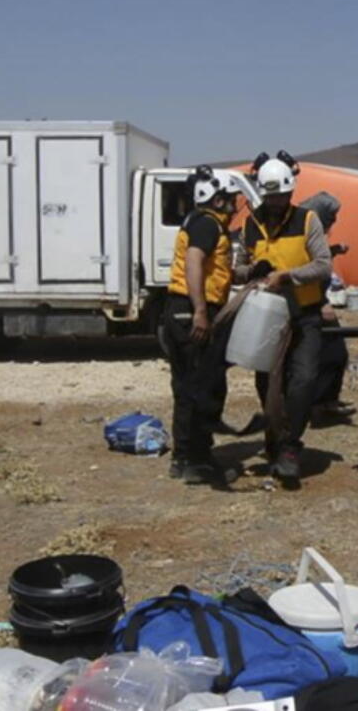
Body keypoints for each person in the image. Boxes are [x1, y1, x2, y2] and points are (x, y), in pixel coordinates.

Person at [235, 151, 332, 484]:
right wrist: (251, 271)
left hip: (304, 316)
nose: (279, 201)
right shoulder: (251, 223)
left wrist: (288, 276)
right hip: (266, 319)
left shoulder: (308, 220)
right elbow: (239, 268)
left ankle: (290, 446)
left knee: (303, 380)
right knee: (268, 384)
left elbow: (323, 265)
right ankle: (275, 439)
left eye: (284, 195)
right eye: (273, 196)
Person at [162, 166, 242, 485]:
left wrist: (244, 274)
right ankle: (199, 461)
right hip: (192, 309)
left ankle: (183, 456)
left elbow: (212, 269)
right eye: (230, 199)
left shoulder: (196, 221)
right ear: (217, 199)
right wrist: (200, 311)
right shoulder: (208, 224)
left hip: (178, 309)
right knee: (205, 387)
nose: (234, 205)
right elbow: (195, 262)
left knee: (185, 388)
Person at [298, 191, 356, 422]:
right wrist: (321, 303)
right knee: (332, 354)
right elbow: (306, 267)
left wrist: (333, 251)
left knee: (334, 353)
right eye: (330, 217)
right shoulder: (304, 232)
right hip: (309, 303)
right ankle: (319, 405)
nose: (334, 222)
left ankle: (326, 400)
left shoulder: (312, 231)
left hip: (316, 300)